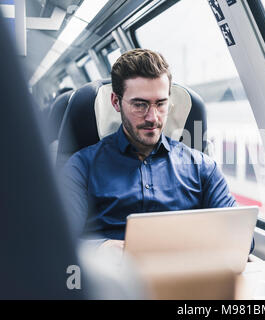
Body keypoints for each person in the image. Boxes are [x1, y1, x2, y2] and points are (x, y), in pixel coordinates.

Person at [61, 49, 237, 252]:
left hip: (186, 276)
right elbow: (57, 240)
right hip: (111, 278)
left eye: (160, 104)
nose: (153, 117)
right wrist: (102, 247)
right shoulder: (82, 166)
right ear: (116, 102)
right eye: (140, 104)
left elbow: (241, 237)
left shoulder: (202, 167)